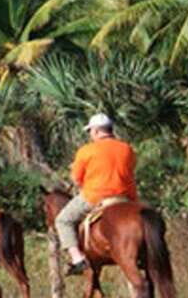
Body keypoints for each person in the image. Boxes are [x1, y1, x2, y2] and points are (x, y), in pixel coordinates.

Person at [55, 113, 138, 276]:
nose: (90, 134)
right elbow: (130, 171)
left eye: (91, 131)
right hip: (125, 197)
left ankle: (77, 259)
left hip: (95, 197)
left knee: (63, 220)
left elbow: (76, 178)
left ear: (98, 131)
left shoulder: (86, 150)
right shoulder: (127, 149)